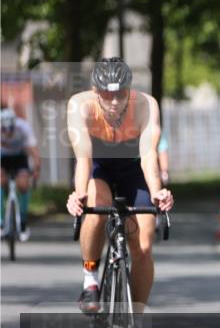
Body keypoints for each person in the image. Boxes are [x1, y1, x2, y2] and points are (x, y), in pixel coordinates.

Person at [65, 58, 174, 314]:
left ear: (130, 90)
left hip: (134, 170)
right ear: (95, 90)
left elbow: (149, 158)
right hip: (99, 167)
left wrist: (158, 192)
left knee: (144, 247)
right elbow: (83, 159)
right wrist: (78, 195)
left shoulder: (146, 105)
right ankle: (90, 280)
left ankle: (135, 318)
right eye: (107, 94)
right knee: (97, 203)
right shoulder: (80, 106)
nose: (114, 101)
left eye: (120, 94)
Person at [1, 107, 41, 240]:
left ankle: (23, 221)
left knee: (23, 185)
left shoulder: (23, 128)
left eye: (11, 130)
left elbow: (33, 150)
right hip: (3, 157)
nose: (8, 133)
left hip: (20, 157)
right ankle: (1, 220)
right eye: (5, 130)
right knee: (1, 180)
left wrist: (36, 169)